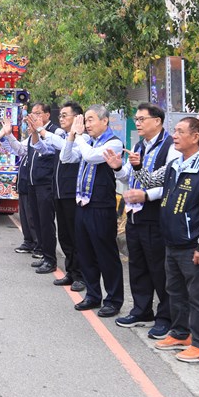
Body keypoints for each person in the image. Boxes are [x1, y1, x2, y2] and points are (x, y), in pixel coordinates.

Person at [107, 117, 199, 362]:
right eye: (175, 131)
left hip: (193, 245)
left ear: (196, 137)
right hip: (171, 241)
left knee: (198, 296)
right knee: (175, 291)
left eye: (181, 132)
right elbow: (150, 181)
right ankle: (182, 334)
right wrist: (136, 167)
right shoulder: (175, 164)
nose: (175, 136)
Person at [108, 103, 178, 340]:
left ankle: (165, 317)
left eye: (141, 119)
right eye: (136, 119)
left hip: (155, 214)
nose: (137, 123)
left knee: (159, 267)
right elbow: (129, 175)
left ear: (157, 121)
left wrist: (147, 195)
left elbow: (170, 183)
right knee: (138, 264)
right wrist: (118, 167)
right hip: (135, 213)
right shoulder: (139, 145)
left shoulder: (170, 147)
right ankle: (141, 310)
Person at [60, 105, 124, 318]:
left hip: (101, 207)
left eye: (90, 120)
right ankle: (93, 295)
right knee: (85, 253)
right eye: (85, 121)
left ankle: (113, 299)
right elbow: (66, 157)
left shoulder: (113, 142)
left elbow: (90, 157)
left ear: (105, 121)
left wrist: (79, 136)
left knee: (106, 254)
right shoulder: (87, 141)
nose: (87, 125)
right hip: (83, 205)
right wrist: (72, 134)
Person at [32, 101, 86, 292]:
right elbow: (44, 149)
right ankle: (71, 272)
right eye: (60, 115)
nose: (61, 118)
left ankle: (81, 275)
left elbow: (65, 149)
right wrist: (35, 133)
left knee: (75, 235)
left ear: (78, 117)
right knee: (64, 236)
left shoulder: (83, 138)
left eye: (65, 115)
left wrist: (43, 131)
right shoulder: (61, 135)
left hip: (72, 193)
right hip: (59, 192)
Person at [22, 103, 61, 274]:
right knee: (36, 221)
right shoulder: (33, 133)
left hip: (46, 184)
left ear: (47, 115)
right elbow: (21, 149)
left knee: (46, 222)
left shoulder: (55, 132)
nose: (34, 116)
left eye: (37, 113)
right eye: (32, 113)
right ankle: (44, 254)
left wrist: (39, 132)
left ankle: (51, 259)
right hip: (33, 183)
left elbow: (47, 151)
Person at [0, 110, 38, 257]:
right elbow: (17, 149)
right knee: (25, 216)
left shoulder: (46, 137)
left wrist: (8, 135)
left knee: (34, 216)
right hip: (24, 182)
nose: (29, 121)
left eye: (36, 114)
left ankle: (38, 245)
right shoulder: (29, 139)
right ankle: (29, 241)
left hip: (36, 183)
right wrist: (3, 135)